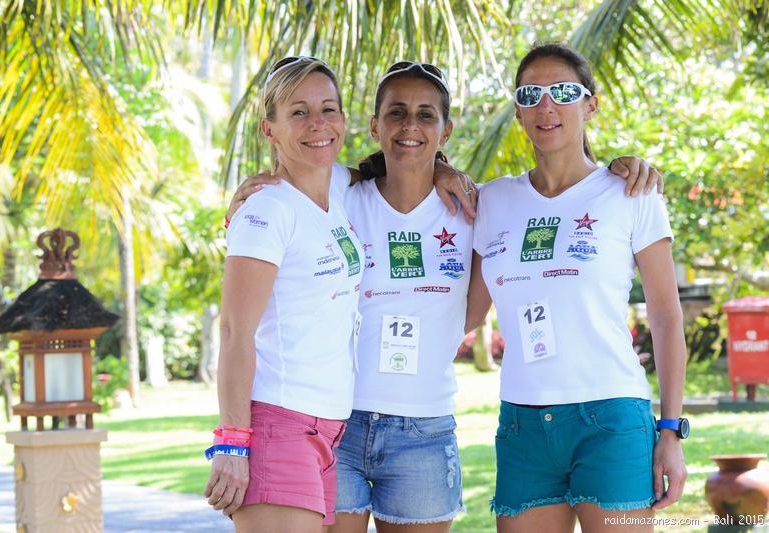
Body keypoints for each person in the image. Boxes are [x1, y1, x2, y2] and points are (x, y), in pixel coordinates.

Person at [228, 57, 663, 533]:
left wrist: (624, 166)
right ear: (374, 126)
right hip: (342, 422)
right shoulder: (340, 193)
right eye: (396, 113)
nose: (409, 126)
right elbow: (288, 195)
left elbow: (471, 312)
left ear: (446, 130)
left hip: (425, 428)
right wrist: (248, 199)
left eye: (426, 115)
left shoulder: (472, 207)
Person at [470, 43, 687, 533]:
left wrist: (671, 430)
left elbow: (666, 317)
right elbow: (465, 313)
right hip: (522, 424)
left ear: (591, 104)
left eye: (564, 92)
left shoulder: (631, 192)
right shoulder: (492, 201)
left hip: (611, 418)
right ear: (518, 111)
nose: (546, 106)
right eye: (531, 95)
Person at [204, 56, 364, 533]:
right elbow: (233, 331)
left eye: (328, 109)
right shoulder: (267, 210)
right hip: (280, 424)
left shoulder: (337, 189)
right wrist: (232, 442)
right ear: (268, 129)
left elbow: (389, 169)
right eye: (298, 112)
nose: (318, 124)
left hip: (328, 430)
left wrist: (442, 170)